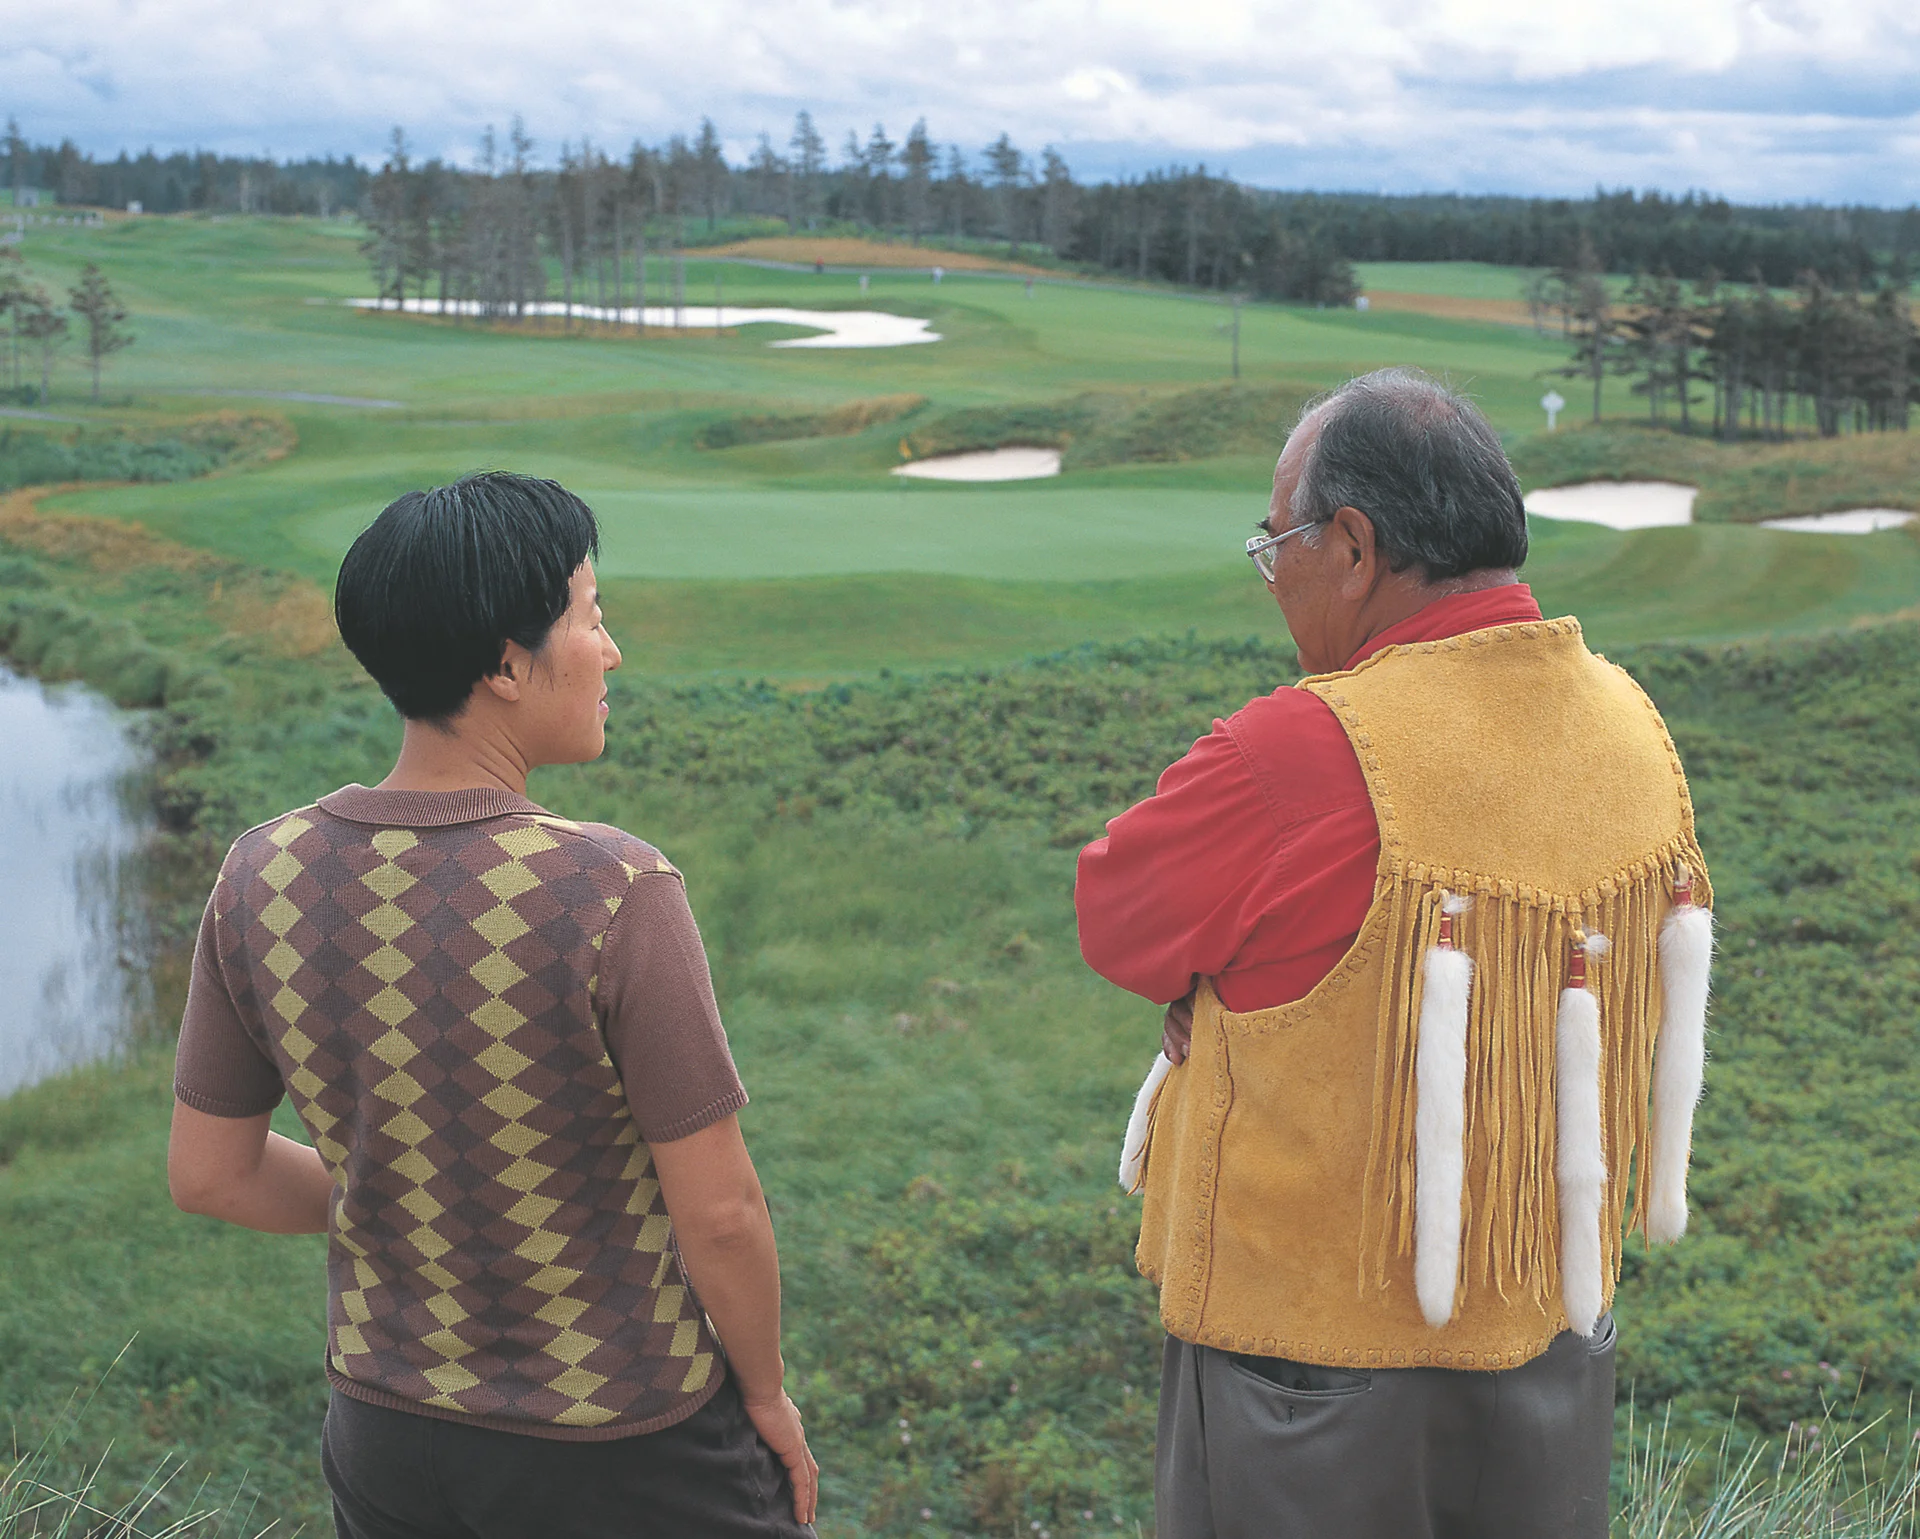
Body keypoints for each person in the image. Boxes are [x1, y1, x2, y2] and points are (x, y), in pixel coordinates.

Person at [1076, 369, 1714, 1539]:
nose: (1275, 579)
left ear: (1354, 546)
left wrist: (1213, 990)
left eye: (1277, 547)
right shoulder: (1635, 726)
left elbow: (1116, 912)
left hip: (1305, 1382)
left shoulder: (1300, 750)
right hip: (1555, 1344)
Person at [168, 472, 818, 1539]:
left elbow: (211, 1175)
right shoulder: (613, 889)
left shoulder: (260, 871)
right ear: (508, 665)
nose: (610, 651)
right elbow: (724, 1214)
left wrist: (404, 1199)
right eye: (592, 618)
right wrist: (765, 1397)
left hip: (384, 1439)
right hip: (626, 1446)